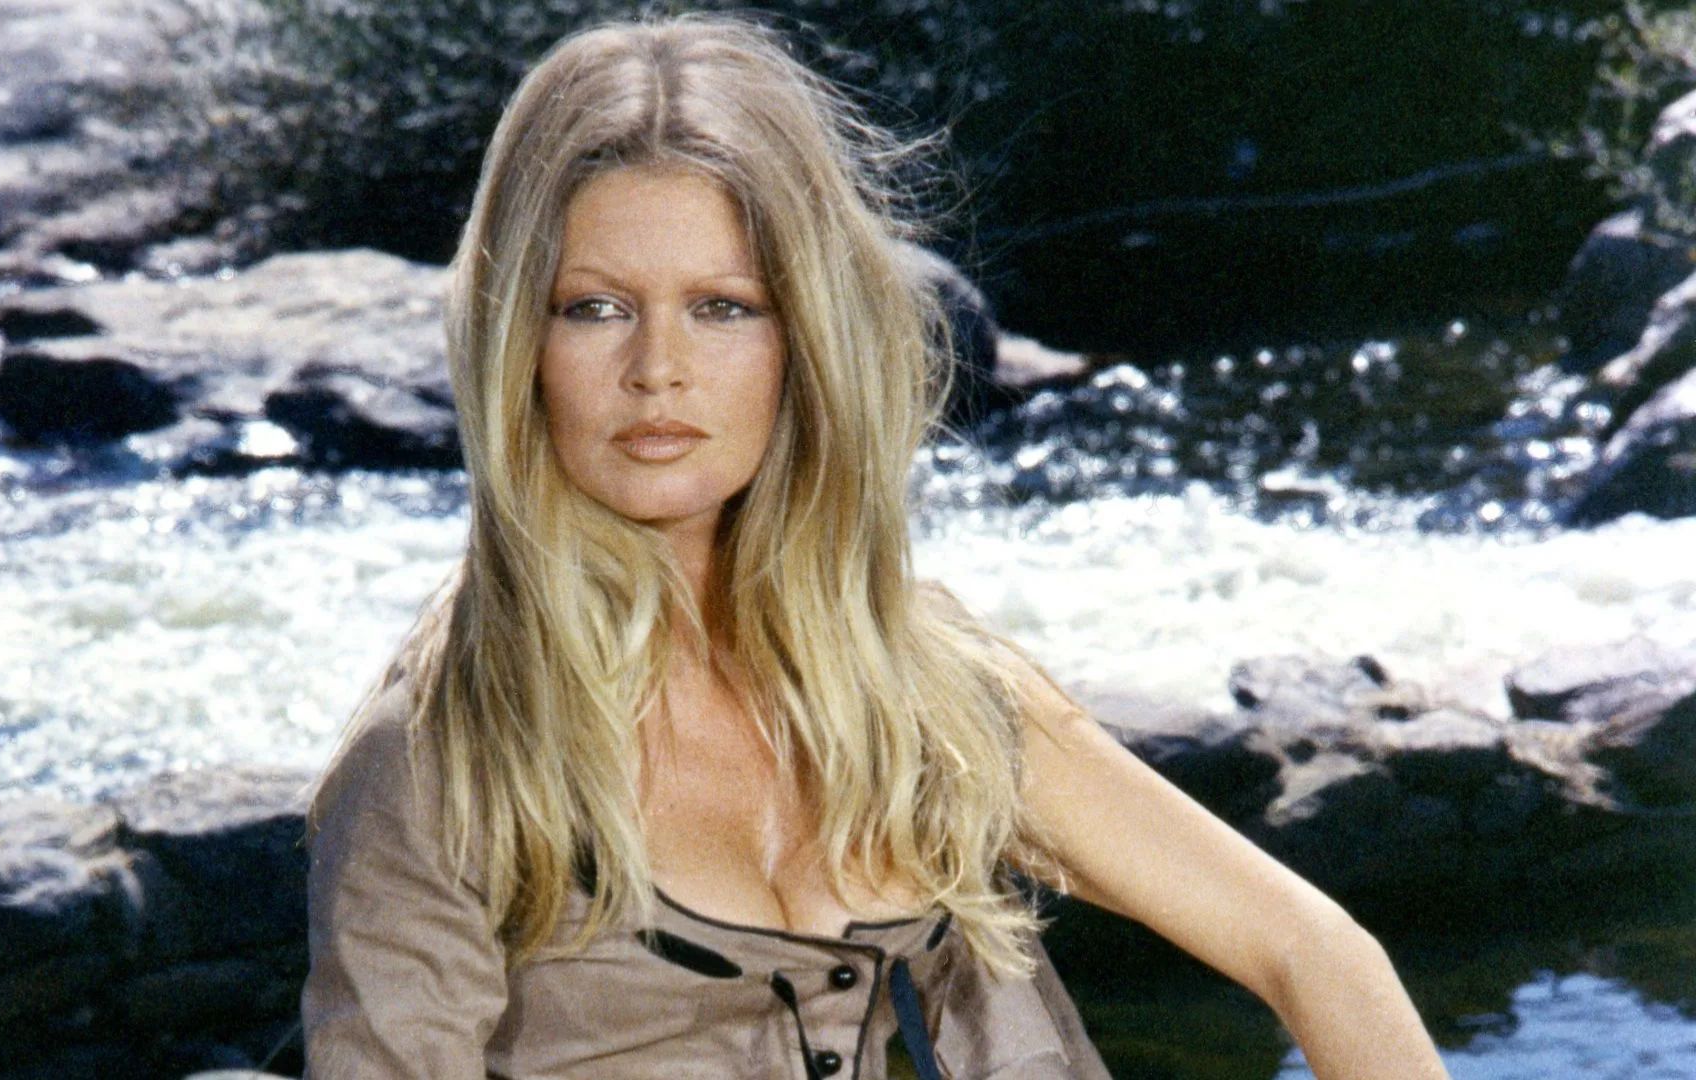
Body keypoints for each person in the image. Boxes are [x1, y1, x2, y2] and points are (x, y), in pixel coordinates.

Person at [301, 14, 1450, 1080]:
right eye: (594, 307)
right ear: (519, 341)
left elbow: (1318, 955)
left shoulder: (927, 689)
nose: (658, 369)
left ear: (804, 335)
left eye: (723, 307)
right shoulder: (443, 757)